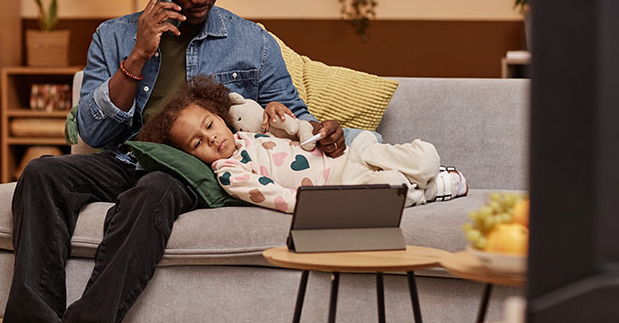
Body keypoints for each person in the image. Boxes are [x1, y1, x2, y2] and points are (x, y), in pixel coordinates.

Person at [0, 0, 345, 323]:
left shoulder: (251, 40)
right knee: (42, 173)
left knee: (154, 190)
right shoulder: (114, 36)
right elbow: (92, 129)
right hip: (129, 158)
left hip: (201, 173)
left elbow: (292, 118)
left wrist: (320, 131)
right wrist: (138, 55)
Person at [137, 76, 468, 212]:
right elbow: (273, 194)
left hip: (354, 154)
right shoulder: (228, 170)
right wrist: (314, 206)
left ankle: (426, 172)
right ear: (190, 155)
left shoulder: (247, 135)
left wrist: (289, 124)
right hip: (342, 184)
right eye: (198, 143)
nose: (212, 138)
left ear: (220, 115)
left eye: (209, 125)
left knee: (425, 156)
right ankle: (431, 188)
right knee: (391, 187)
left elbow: (301, 141)